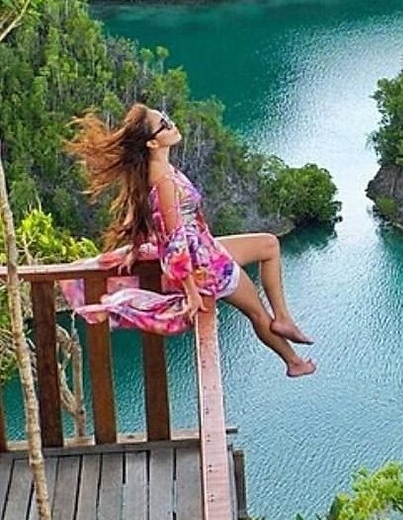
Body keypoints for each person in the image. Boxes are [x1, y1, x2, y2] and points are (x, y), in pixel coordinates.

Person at [66, 103, 315, 378]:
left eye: (167, 118)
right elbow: (174, 241)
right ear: (151, 142)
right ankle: (293, 362)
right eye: (164, 124)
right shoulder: (163, 182)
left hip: (205, 248)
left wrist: (136, 248)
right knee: (256, 312)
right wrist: (192, 290)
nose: (172, 125)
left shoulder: (156, 170)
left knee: (269, 244)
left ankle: (283, 318)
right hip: (204, 265)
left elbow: (139, 213)